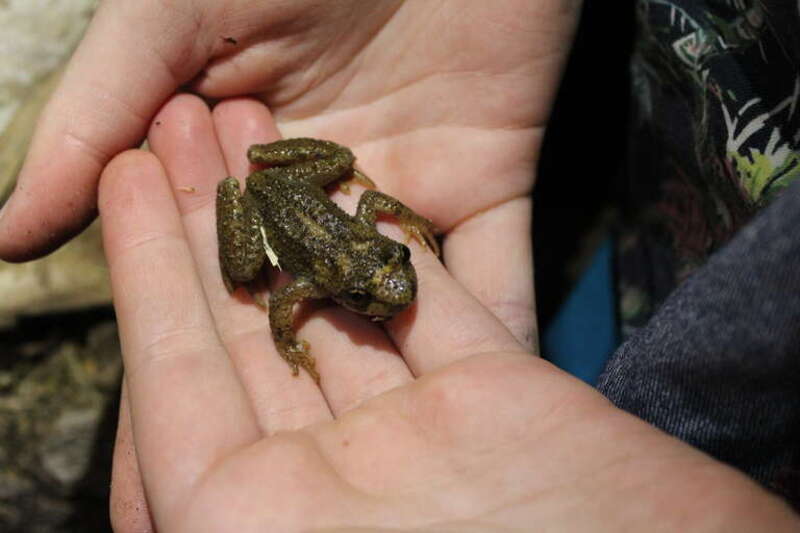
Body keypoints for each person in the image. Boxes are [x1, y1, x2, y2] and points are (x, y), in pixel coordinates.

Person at [1, 1, 798, 530]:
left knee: (340, 172)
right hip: (276, 205)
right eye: (378, 283)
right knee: (247, 273)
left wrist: (398, 228)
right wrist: (291, 342)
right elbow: (279, 301)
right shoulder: (318, 279)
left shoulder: (357, 257)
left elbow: (367, 215)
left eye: (391, 267)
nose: (395, 283)